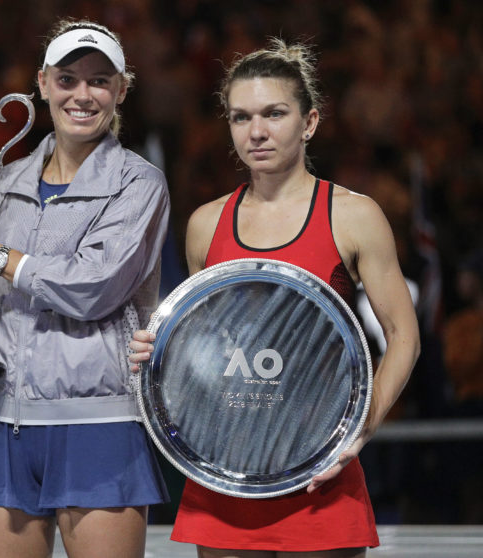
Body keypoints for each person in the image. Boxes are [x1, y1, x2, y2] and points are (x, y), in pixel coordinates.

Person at [129, 38, 420, 557]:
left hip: (319, 477)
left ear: (309, 123)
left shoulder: (353, 216)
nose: (256, 131)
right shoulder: (205, 224)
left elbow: (403, 336)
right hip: (224, 472)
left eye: (274, 113)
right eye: (241, 118)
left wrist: (361, 426)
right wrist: (162, 356)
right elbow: (209, 348)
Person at [0, 19, 170, 558]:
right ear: (42, 84)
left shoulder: (139, 182)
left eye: (99, 80)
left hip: (98, 424)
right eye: (68, 79)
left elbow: (94, 289)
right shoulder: (8, 179)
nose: (82, 95)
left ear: (121, 90)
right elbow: (2, 302)